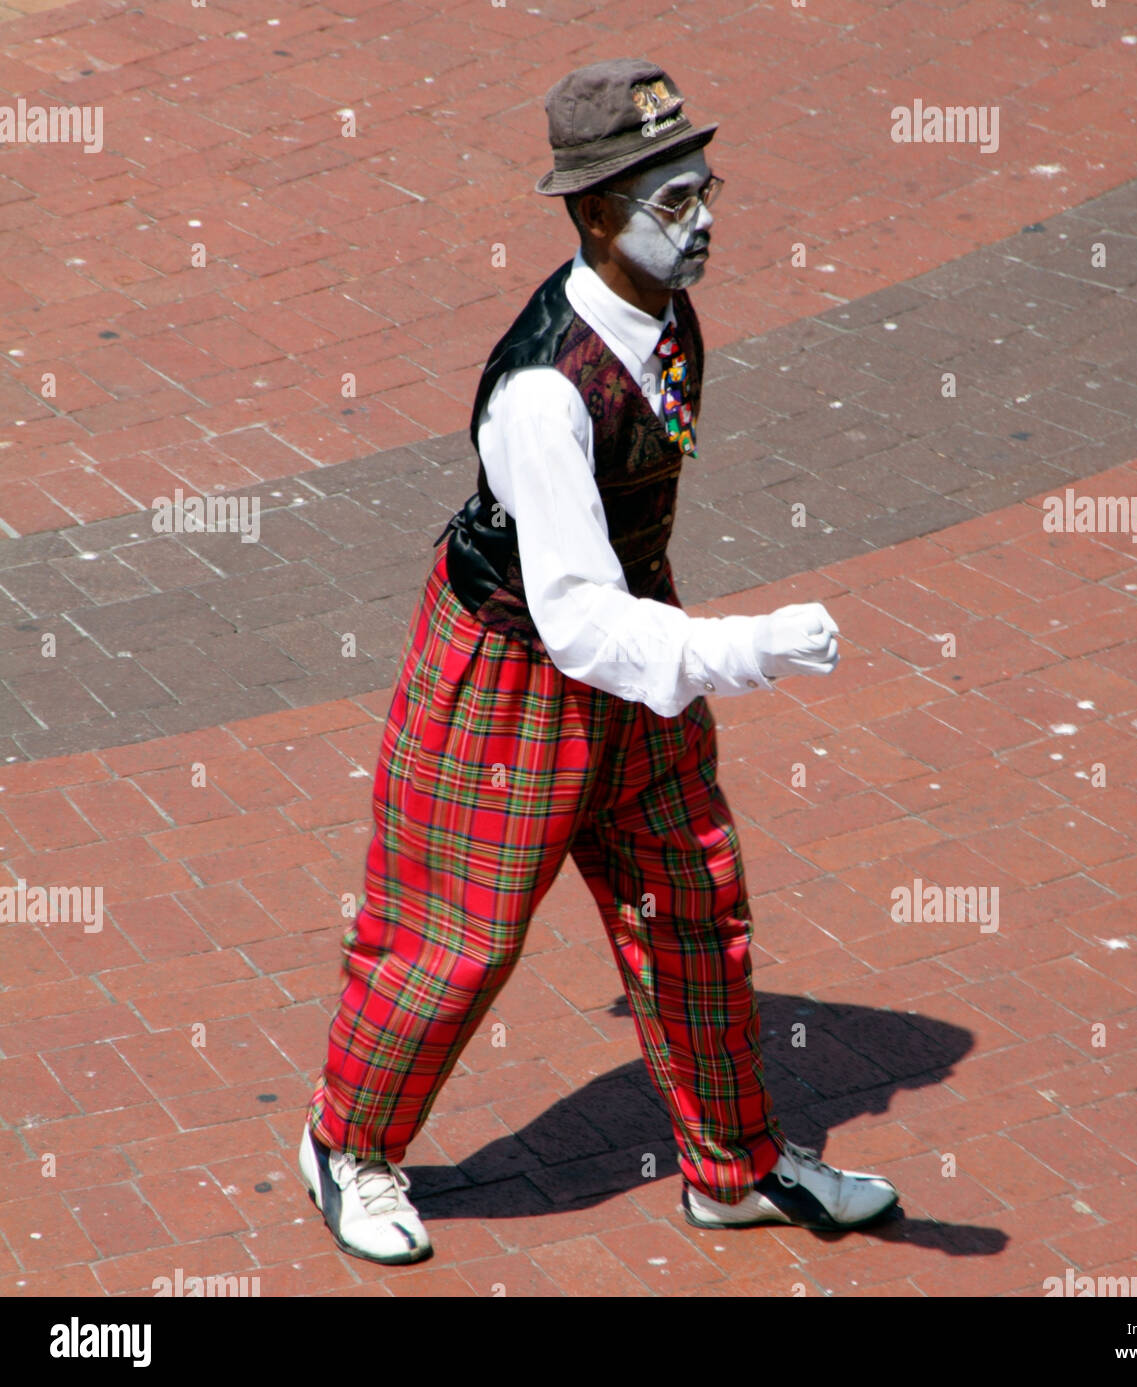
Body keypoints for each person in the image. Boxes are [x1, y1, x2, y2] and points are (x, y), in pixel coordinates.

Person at [298, 57, 900, 1266]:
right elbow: (570, 616)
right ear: (590, 216)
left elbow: (612, 596)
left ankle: (732, 1170)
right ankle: (345, 1145)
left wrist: (686, 641)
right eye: (670, 203)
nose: (703, 221)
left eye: (703, 187)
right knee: (455, 936)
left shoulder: (664, 313)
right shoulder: (541, 392)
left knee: (693, 899)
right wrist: (741, 649)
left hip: (637, 635)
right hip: (512, 675)